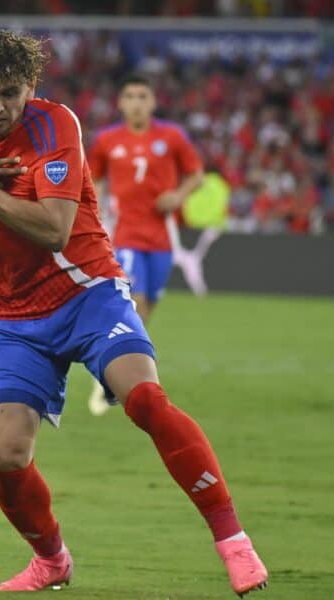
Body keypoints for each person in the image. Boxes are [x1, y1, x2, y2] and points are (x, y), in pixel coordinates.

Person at [0, 29, 268, 596]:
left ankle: (233, 541)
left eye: (10, 94)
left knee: (144, 399)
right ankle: (51, 561)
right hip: (17, 318)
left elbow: (53, 228)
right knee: (6, 454)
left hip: (88, 293)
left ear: (31, 87)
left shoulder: (56, 125)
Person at [85, 73, 204, 416]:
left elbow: (196, 174)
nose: (136, 102)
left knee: (147, 307)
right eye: (130, 96)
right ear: (121, 102)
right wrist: (98, 210)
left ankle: (113, 368)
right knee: (133, 302)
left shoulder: (171, 137)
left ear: (152, 102)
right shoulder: (108, 140)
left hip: (162, 237)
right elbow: (93, 178)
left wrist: (178, 195)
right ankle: (111, 375)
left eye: (142, 96)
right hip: (126, 235)